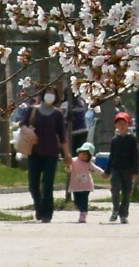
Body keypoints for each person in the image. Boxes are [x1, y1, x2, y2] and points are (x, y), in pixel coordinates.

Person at [21, 87, 73, 223]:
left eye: (52, 93)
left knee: (48, 184)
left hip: (52, 154)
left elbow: (62, 136)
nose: (50, 95)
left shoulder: (58, 114)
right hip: (34, 152)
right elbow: (22, 125)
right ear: (43, 94)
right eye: (47, 92)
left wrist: (67, 154)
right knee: (33, 184)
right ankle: (39, 206)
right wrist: (29, 132)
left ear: (56, 97)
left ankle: (47, 213)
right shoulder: (32, 110)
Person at [103, 111, 139, 224]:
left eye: (124, 123)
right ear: (116, 125)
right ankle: (115, 209)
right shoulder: (114, 140)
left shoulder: (132, 139)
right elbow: (111, 155)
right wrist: (107, 170)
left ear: (128, 124)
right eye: (119, 123)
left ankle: (123, 214)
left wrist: (135, 170)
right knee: (115, 189)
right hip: (116, 169)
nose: (122, 125)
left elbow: (135, 156)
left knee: (127, 192)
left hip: (128, 169)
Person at [67, 142, 103, 223]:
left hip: (86, 185)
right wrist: (68, 166)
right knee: (77, 201)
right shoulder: (73, 160)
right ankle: (82, 209)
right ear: (79, 152)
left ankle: (83, 214)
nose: (84, 156)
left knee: (84, 200)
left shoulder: (88, 164)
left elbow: (95, 168)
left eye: (87, 155)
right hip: (76, 185)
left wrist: (102, 173)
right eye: (83, 153)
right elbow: (69, 170)